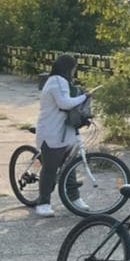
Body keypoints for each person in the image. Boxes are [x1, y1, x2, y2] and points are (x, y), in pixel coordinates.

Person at [32, 53, 91, 217]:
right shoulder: (57, 82)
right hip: (52, 132)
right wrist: (84, 97)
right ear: (69, 68)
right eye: (74, 68)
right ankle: (43, 202)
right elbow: (64, 103)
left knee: (70, 168)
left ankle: (74, 198)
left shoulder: (63, 81)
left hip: (66, 133)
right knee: (50, 170)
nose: (74, 72)